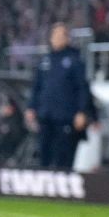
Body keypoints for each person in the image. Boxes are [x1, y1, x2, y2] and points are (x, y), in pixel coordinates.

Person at [26, 23, 94, 169]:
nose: (59, 38)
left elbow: (82, 88)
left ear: (67, 38)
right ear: (51, 38)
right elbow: (36, 87)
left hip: (65, 117)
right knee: (44, 157)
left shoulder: (75, 61)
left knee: (63, 159)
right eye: (56, 35)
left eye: (62, 35)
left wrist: (82, 111)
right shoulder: (44, 61)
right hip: (45, 116)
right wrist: (31, 107)